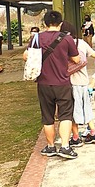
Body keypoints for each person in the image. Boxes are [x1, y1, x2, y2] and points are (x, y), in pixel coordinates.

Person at [23, 10, 80, 159]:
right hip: (62, 82)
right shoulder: (67, 39)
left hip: (43, 83)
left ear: (44, 23)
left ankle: (50, 147)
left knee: (47, 116)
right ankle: (65, 147)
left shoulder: (36, 38)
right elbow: (76, 59)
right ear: (60, 23)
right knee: (65, 115)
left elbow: (26, 56)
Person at [61, 22, 95, 147]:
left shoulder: (62, 44)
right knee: (86, 107)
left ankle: (76, 137)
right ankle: (93, 132)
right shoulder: (81, 43)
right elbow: (94, 54)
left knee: (71, 110)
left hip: (70, 83)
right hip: (83, 82)